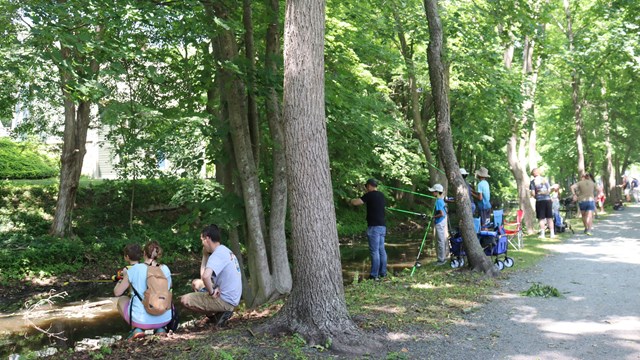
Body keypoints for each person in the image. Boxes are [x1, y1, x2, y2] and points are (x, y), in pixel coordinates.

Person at [181, 224, 242, 326]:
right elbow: (203, 278)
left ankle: (218, 315)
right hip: (232, 297)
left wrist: (212, 292)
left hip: (225, 299)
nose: (202, 244)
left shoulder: (217, 255)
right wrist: (205, 256)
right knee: (196, 283)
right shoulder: (224, 250)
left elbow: (205, 277)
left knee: (185, 300)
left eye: (202, 240)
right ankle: (217, 314)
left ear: (207, 238)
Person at [114, 241, 172, 339]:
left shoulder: (134, 269)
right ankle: (160, 328)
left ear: (144, 254)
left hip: (141, 321)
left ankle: (137, 329)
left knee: (122, 299)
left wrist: (121, 280)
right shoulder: (165, 269)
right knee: (164, 296)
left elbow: (117, 292)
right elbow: (169, 288)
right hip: (165, 318)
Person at [350, 178, 387, 280]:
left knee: (374, 251)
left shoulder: (370, 195)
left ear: (370, 186)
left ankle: (374, 275)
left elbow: (357, 202)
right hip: (382, 226)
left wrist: (350, 200)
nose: (366, 188)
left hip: (374, 227)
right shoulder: (381, 195)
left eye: (366, 186)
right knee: (381, 250)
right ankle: (383, 273)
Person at [529, 168, 555, 239]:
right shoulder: (545, 179)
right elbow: (549, 190)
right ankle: (552, 234)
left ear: (533, 174)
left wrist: (535, 196)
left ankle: (542, 234)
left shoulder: (532, 182)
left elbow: (533, 193)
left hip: (540, 201)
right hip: (548, 200)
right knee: (549, 217)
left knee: (541, 218)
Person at [429, 184, 448, 266]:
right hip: (443, 221)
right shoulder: (441, 199)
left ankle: (441, 260)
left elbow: (441, 213)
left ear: (437, 192)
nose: (432, 193)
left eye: (433, 191)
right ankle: (443, 257)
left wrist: (433, 217)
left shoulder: (438, 201)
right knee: (442, 240)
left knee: (440, 241)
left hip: (440, 222)